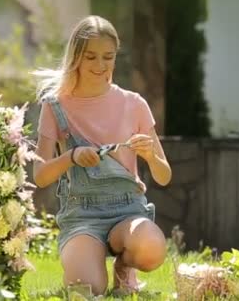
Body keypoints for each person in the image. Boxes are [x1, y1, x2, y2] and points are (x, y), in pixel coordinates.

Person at [32, 15, 172, 296]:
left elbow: (164, 175)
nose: (100, 65)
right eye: (91, 57)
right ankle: (88, 258)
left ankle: (124, 265)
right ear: (76, 58)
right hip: (81, 214)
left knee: (153, 250)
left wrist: (150, 156)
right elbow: (40, 176)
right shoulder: (55, 106)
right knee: (87, 288)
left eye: (107, 57)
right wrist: (70, 156)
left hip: (127, 209)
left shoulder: (133, 104)